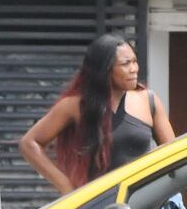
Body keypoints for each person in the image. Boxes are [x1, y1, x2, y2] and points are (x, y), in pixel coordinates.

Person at [20, 33, 174, 194]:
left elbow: (173, 153)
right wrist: (68, 189)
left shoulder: (148, 100)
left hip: (145, 201)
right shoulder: (75, 105)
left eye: (135, 62)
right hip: (100, 206)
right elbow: (29, 144)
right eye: (126, 63)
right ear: (105, 69)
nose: (134, 69)